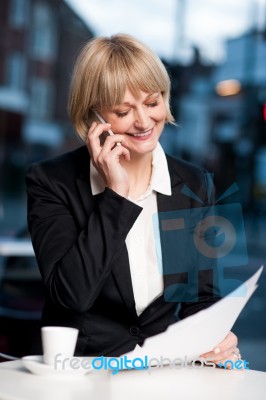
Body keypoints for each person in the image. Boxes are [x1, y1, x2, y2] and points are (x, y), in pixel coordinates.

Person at [26, 33, 240, 367]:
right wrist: (116, 195)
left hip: (164, 372)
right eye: (124, 111)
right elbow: (70, 297)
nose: (143, 122)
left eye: (152, 103)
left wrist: (216, 337)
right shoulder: (51, 181)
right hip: (82, 373)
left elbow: (202, 296)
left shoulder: (196, 184)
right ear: (94, 117)